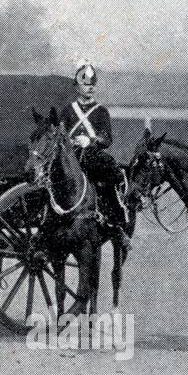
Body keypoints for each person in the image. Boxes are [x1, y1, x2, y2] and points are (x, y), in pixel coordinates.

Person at [58, 60, 131, 251]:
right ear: (77, 86)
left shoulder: (101, 112)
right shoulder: (67, 111)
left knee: (112, 175)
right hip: (71, 157)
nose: (90, 88)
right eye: (86, 84)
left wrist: (90, 140)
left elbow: (107, 139)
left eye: (92, 85)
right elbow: (60, 134)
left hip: (90, 156)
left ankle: (116, 223)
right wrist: (72, 141)